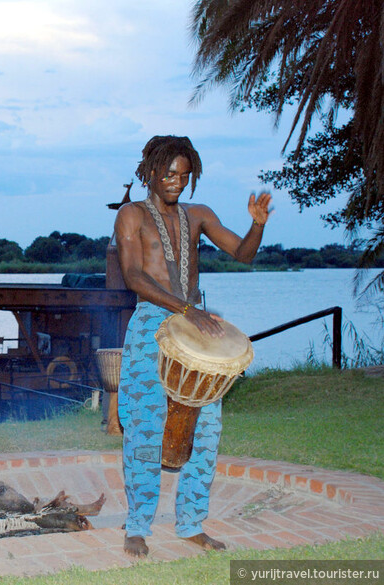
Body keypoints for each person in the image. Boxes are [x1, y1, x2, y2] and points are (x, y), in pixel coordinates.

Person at [114, 136, 271, 557]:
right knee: (145, 429)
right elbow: (133, 276)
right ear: (149, 170)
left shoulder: (198, 215)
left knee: (207, 430)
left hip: (194, 326)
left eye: (184, 176)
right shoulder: (131, 216)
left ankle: (190, 524)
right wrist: (187, 308)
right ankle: (137, 526)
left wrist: (257, 224)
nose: (176, 182)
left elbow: (242, 253)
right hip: (152, 324)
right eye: (169, 173)